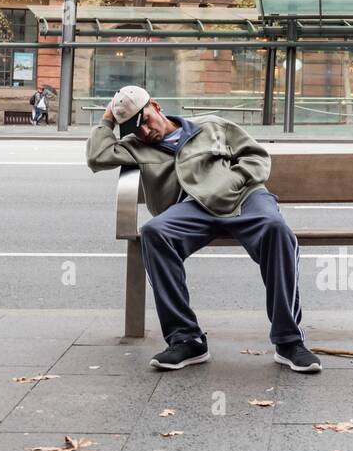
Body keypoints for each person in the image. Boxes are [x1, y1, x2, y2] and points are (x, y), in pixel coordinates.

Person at [85, 85, 320, 373]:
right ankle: (186, 339)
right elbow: (96, 156)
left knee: (277, 230)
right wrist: (108, 118)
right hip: (193, 209)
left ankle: (289, 341)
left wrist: (231, 182)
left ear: (156, 106)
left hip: (244, 198)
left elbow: (256, 157)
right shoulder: (136, 146)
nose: (145, 131)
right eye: (135, 128)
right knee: (154, 233)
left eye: (145, 120)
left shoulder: (210, 125)